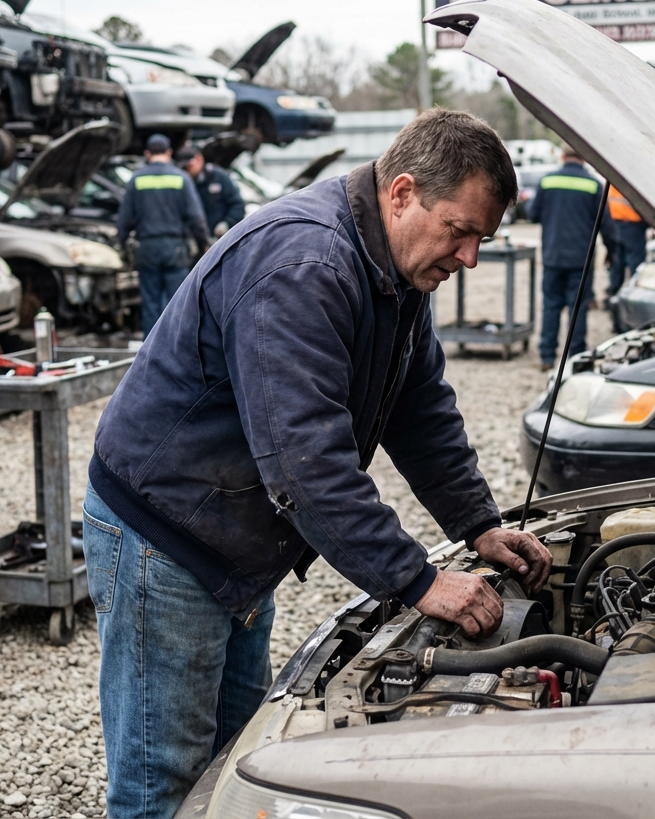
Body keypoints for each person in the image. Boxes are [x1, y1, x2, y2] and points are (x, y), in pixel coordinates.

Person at [83, 109, 553, 818]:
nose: (470, 260)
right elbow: (304, 463)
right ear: (401, 194)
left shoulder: (394, 274)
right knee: (163, 785)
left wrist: (479, 526)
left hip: (235, 539)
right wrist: (418, 580)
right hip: (166, 539)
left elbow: (419, 408)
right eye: (459, 231)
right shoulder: (304, 264)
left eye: (481, 240)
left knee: (236, 764)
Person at [116, 134, 210, 336]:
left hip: (147, 249)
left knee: (150, 303)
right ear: (169, 153)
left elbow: (124, 219)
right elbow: (196, 217)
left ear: (147, 154)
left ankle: (151, 354)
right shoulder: (180, 178)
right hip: (174, 249)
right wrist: (204, 244)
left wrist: (121, 245)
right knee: (177, 302)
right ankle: (176, 351)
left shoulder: (136, 180)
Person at [526, 148, 604, 371]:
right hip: (582, 258)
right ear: (583, 157)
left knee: (551, 306)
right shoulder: (593, 185)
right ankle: (575, 358)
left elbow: (533, 214)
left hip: (553, 256)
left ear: (562, 156)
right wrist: (613, 250)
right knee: (577, 308)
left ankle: (547, 357)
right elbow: (604, 224)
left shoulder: (548, 181)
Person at [605, 186, 651, 330]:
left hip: (618, 223)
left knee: (618, 265)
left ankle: (614, 303)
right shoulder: (631, 178)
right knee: (635, 266)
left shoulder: (616, 179)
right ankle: (631, 305)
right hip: (632, 224)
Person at [177, 146, 246, 236]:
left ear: (198, 159)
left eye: (188, 166)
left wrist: (227, 223)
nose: (186, 171)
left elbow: (237, 204)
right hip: (194, 238)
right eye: (183, 168)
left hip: (218, 238)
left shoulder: (218, 177)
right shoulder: (182, 182)